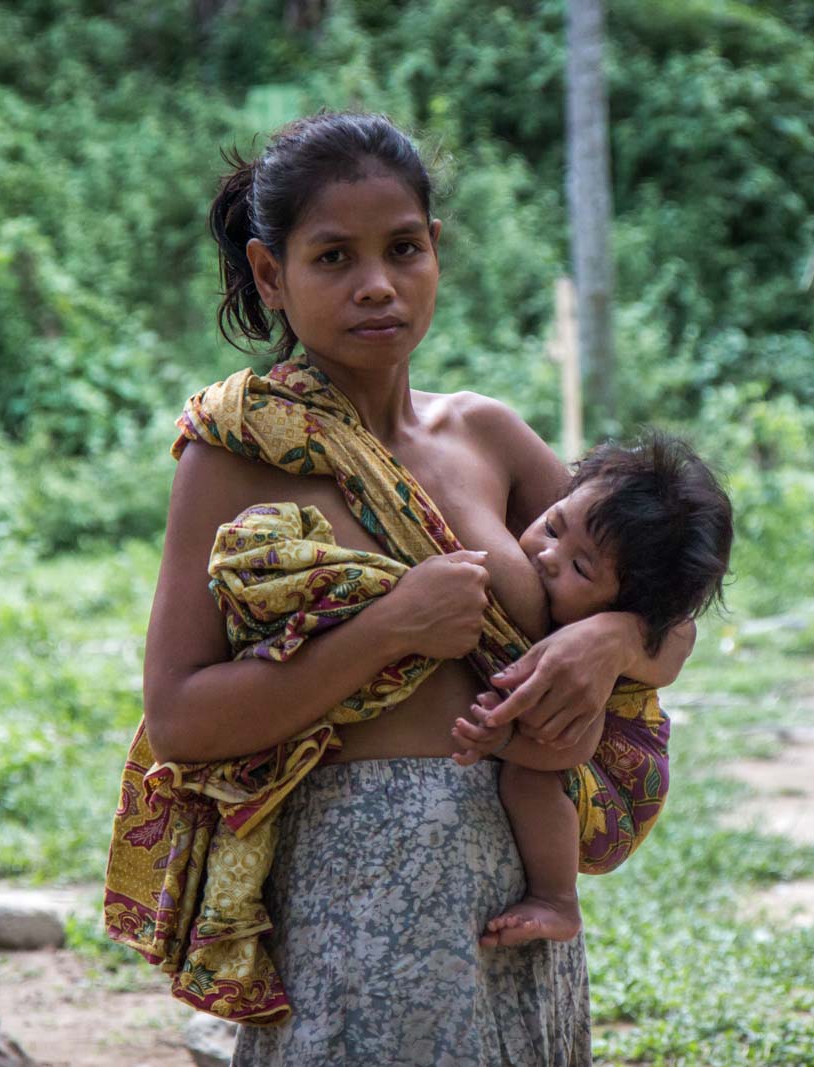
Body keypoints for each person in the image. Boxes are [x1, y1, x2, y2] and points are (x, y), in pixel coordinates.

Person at [137, 111, 695, 1066]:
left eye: (403, 249)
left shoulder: (487, 437)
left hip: (512, 891)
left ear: (435, 248)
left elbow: (666, 614)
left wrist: (600, 645)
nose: (377, 285)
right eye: (332, 258)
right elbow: (182, 716)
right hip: (345, 901)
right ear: (272, 273)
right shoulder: (238, 456)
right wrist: (390, 626)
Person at [449, 434, 732, 949]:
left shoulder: (596, 640)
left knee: (528, 779)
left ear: (626, 600)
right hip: (592, 758)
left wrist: (501, 741)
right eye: (553, 526)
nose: (548, 555)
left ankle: (557, 901)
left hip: (622, 780)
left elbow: (575, 743)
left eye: (582, 568)